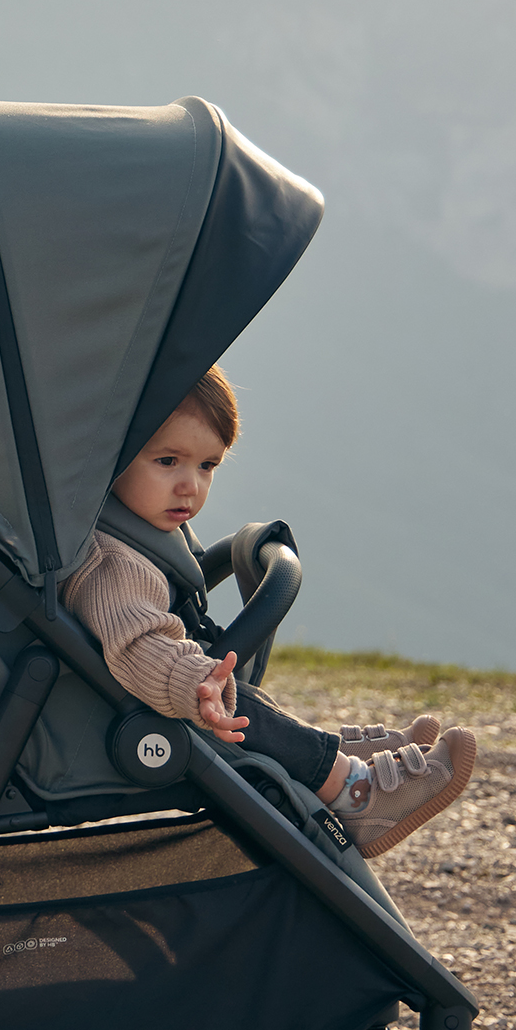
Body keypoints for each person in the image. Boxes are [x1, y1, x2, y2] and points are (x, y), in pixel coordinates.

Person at [64, 366, 475, 858]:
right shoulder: (113, 563)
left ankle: (331, 754)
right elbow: (138, 645)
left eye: (207, 466)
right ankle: (358, 793)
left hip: (178, 691)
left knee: (244, 699)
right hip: (145, 707)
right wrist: (193, 683)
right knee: (241, 705)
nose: (189, 486)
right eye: (168, 460)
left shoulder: (138, 531)